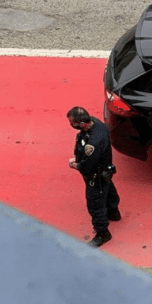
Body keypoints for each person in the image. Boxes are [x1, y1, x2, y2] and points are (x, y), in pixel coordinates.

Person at [67, 106, 121, 247]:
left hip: (95, 176)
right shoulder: (97, 124)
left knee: (95, 204)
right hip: (105, 171)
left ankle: (102, 233)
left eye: (73, 123)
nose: (71, 125)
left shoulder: (93, 144)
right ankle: (113, 212)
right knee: (108, 189)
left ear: (82, 124)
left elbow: (86, 166)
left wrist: (74, 164)